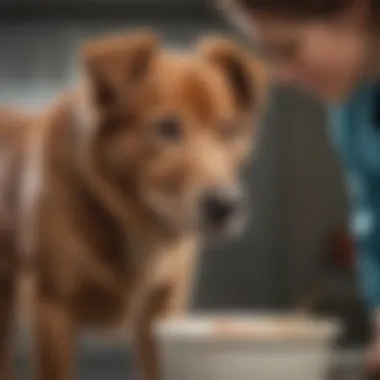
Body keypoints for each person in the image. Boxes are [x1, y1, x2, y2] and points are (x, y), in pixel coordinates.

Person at [219, 0, 380, 372]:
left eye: (290, 49)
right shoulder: (353, 112)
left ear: (354, 13)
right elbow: (373, 218)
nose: (280, 75)